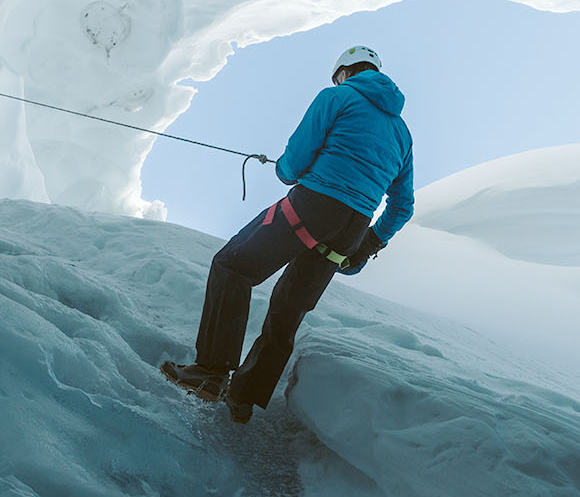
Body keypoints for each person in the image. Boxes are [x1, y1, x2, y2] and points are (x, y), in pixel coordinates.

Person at [162, 45, 414, 423]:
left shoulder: (338, 96)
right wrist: (367, 245)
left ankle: (210, 373)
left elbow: (295, 161)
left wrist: (282, 170)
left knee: (232, 266)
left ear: (345, 72)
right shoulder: (402, 132)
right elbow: (402, 205)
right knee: (288, 310)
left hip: (313, 205)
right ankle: (243, 398)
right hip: (353, 229)